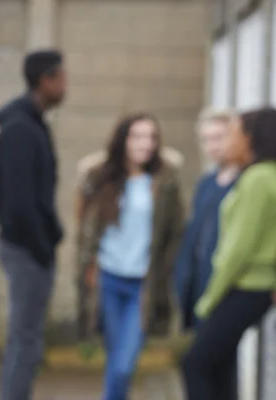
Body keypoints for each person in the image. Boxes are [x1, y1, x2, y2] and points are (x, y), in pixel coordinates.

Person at [76, 113, 184, 400]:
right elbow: (85, 230)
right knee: (115, 360)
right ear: (123, 139)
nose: (146, 144)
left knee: (124, 364)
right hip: (109, 280)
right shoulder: (102, 177)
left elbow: (175, 234)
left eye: (151, 137)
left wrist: (163, 275)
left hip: (142, 286)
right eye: (137, 136)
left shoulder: (165, 182)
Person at [182, 107, 276, 400]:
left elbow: (236, 251)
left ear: (250, 138)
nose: (230, 141)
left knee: (195, 363)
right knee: (221, 365)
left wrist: (208, 301)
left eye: (235, 133)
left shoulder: (258, 179)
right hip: (251, 287)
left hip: (246, 287)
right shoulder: (268, 174)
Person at [0, 49, 67, 400]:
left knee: (30, 340)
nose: (66, 86)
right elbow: (18, 203)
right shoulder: (20, 130)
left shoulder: (33, 124)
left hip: (31, 247)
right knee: (24, 340)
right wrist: (42, 247)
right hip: (24, 249)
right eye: (62, 78)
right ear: (46, 80)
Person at [175, 108, 240, 331]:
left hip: (229, 282)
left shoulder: (245, 182)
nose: (212, 146)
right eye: (206, 140)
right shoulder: (206, 183)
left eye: (219, 138)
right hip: (199, 276)